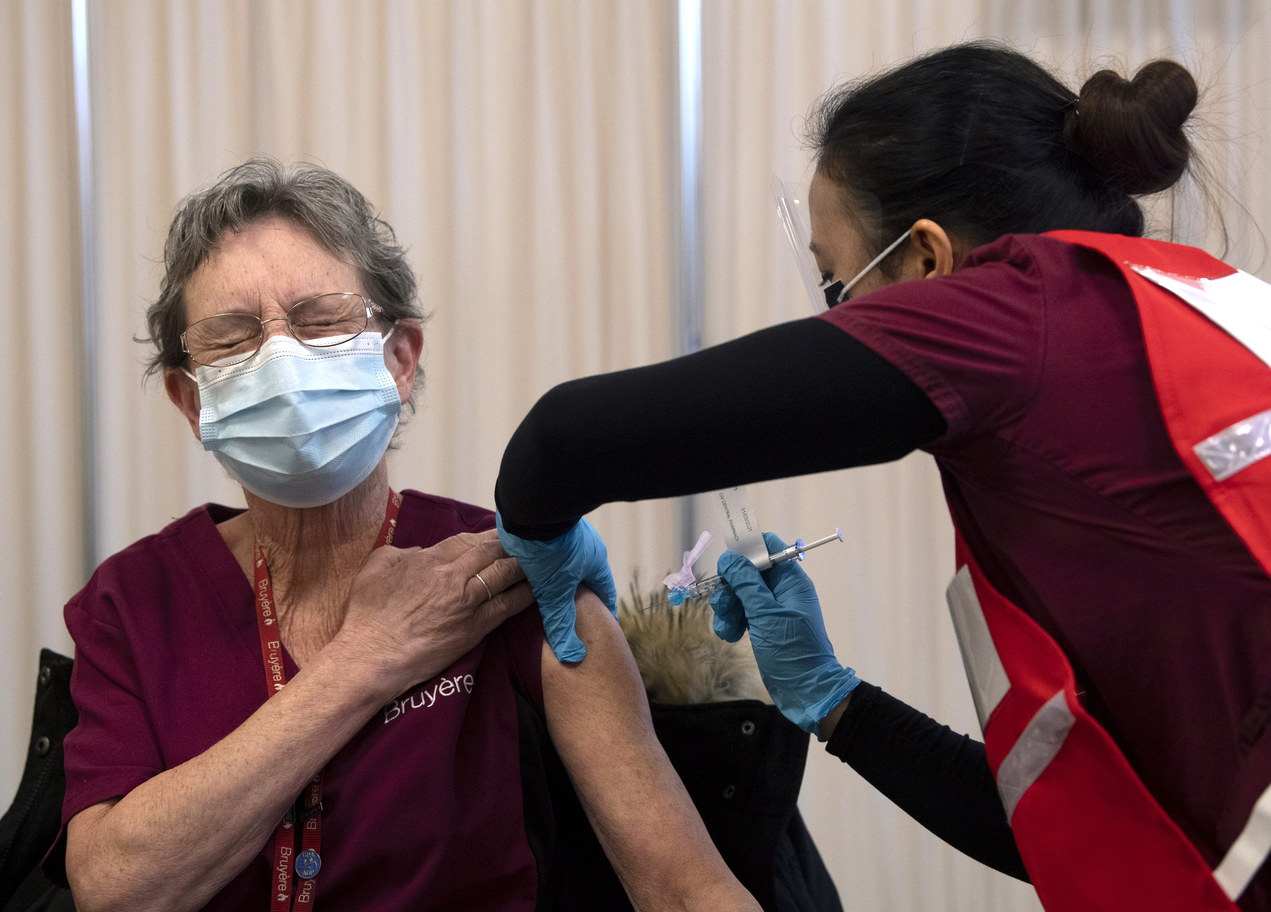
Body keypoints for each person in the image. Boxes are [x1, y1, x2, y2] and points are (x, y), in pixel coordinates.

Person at [494, 41, 1271, 912]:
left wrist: (540, 525)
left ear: (930, 262)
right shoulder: (1207, 308)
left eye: (836, 284)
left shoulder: (1016, 313)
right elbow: (1072, 829)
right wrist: (834, 700)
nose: (831, 320)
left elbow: (562, 441)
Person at [49, 159, 761, 912]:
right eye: (234, 337)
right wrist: (364, 661)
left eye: (320, 320)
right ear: (191, 399)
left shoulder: (515, 578)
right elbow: (117, 889)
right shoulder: (131, 604)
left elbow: (684, 889)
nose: (282, 360)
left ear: (399, 357)